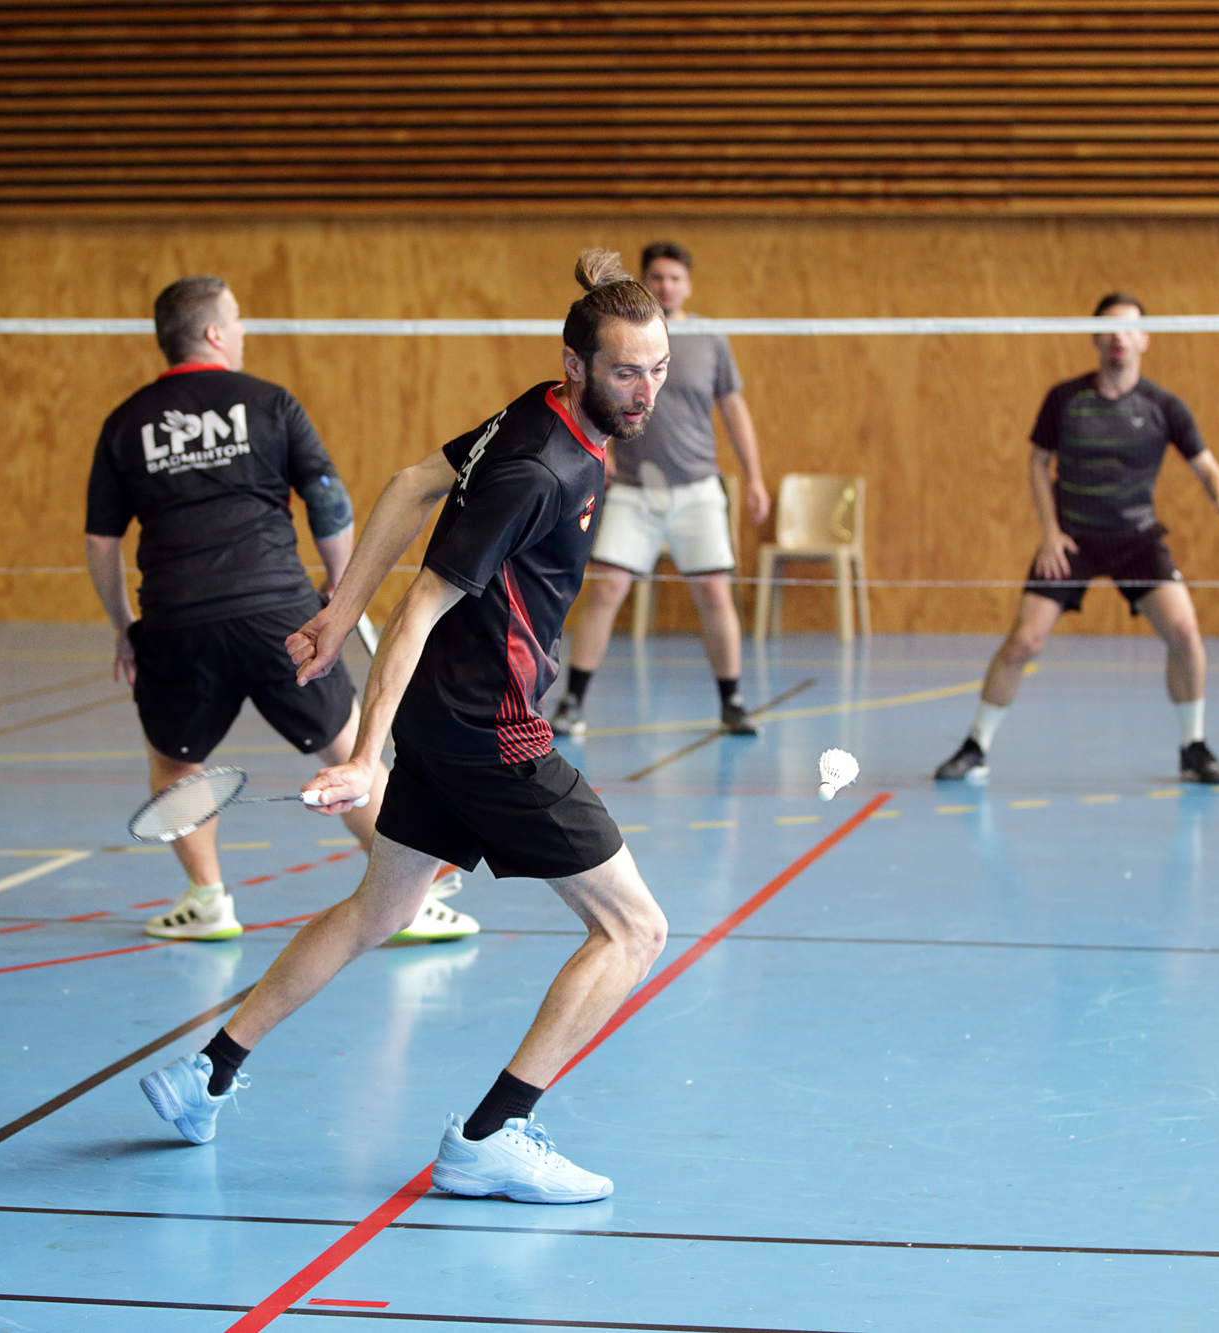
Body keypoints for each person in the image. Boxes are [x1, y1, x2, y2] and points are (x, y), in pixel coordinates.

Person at [138, 250, 673, 1205]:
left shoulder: (541, 409)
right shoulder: (539, 468)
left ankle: (204, 1073)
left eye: (658, 368)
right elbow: (423, 605)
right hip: (496, 730)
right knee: (635, 928)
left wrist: (337, 609)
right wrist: (361, 754)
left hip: (446, 719)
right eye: (626, 371)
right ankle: (492, 1135)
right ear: (575, 366)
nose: (646, 391)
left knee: (377, 909)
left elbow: (410, 480)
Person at [84, 275, 475, 944]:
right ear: (213, 332)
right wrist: (340, 593)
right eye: (236, 319)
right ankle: (411, 901)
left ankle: (207, 902)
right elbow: (329, 502)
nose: (242, 330)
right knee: (348, 750)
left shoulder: (126, 422)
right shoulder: (269, 402)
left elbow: (101, 542)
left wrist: (124, 626)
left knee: (175, 764)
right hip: (278, 614)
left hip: (176, 623)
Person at [934, 292, 1219, 787]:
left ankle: (1194, 747)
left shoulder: (1164, 407)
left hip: (1137, 538)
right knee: (1023, 641)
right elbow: (1038, 462)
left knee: (1186, 634)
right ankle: (976, 746)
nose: (1119, 337)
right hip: (1071, 538)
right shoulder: (1065, 400)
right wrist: (1050, 532)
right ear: (1095, 337)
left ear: (1144, 340)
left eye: (1129, 329)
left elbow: (1207, 468)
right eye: (1109, 328)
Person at [550, 240, 771, 738]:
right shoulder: (621, 336)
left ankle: (732, 701)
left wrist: (754, 476)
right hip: (633, 490)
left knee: (715, 593)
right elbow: (587, 393)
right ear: (644, 283)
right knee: (606, 588)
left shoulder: (710, 339)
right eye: (657, 278)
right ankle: (573, 702)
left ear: (687, 285)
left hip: (697, 489)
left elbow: (734, 410)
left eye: (675, 278)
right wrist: (597, 452)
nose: (666, 286)